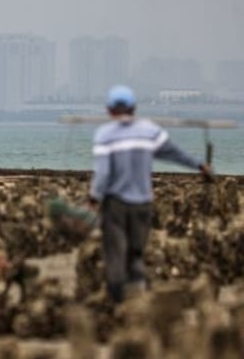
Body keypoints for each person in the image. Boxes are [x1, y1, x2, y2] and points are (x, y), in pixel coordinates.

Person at [88, 85, 212, 303]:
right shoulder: (149, 131)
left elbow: (104, 172)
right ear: (134, 108)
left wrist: (93, 197)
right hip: (143, 203)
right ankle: (139, 301)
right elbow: (175, 153)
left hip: (116, 204)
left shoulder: (105, 134)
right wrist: (199, 165)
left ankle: (118, 304)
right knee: (136, 254)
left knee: (116, 254)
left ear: (109, 110)